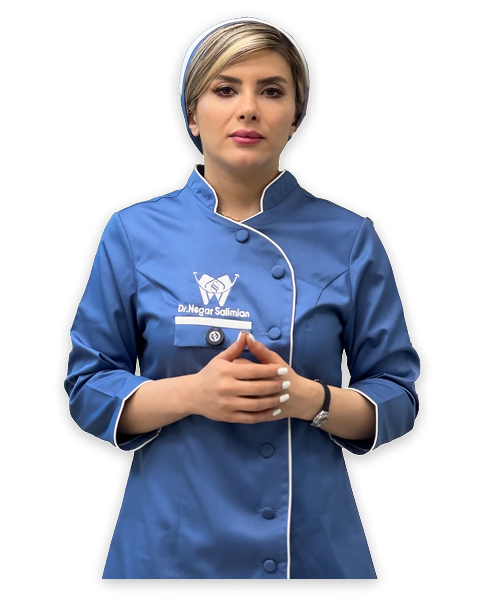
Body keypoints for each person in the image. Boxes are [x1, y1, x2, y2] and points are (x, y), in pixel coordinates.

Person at [65, 16, 420, 580]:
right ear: (192, 114)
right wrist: (193, 393)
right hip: (166, 550)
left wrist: (310, 400)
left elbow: (398, 395)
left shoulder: (352, 237)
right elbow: (86, 388)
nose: (248, 109)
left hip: (309, 549)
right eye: (225, 89)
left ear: (297, 116)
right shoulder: (131, 232)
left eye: (271, 91)